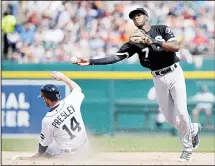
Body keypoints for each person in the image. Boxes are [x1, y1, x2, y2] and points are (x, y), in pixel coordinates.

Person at [72, 8, 202, 162]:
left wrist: (153, 41)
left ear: (146, 17)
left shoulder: (161, 29)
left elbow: (175, 47)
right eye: (133, 17)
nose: (136, 18)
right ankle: (192, 128)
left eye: (138, 15)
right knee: (170, 120)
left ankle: (187, 148)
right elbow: (116, 57)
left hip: (175, 73)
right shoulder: (135, 42)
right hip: (158, 78)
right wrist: (92, 61)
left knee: (182, 112)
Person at [12, 71, 88, 160]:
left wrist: (36, 156)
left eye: (43, 98)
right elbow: (77, 88)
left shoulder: (48, 119)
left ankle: (32, 159)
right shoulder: (71, 101)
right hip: (85, 147)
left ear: (47, 99)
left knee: (47, 147)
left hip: (70, 155)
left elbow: (43, 146)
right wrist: (63, 77)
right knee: (57, 137)